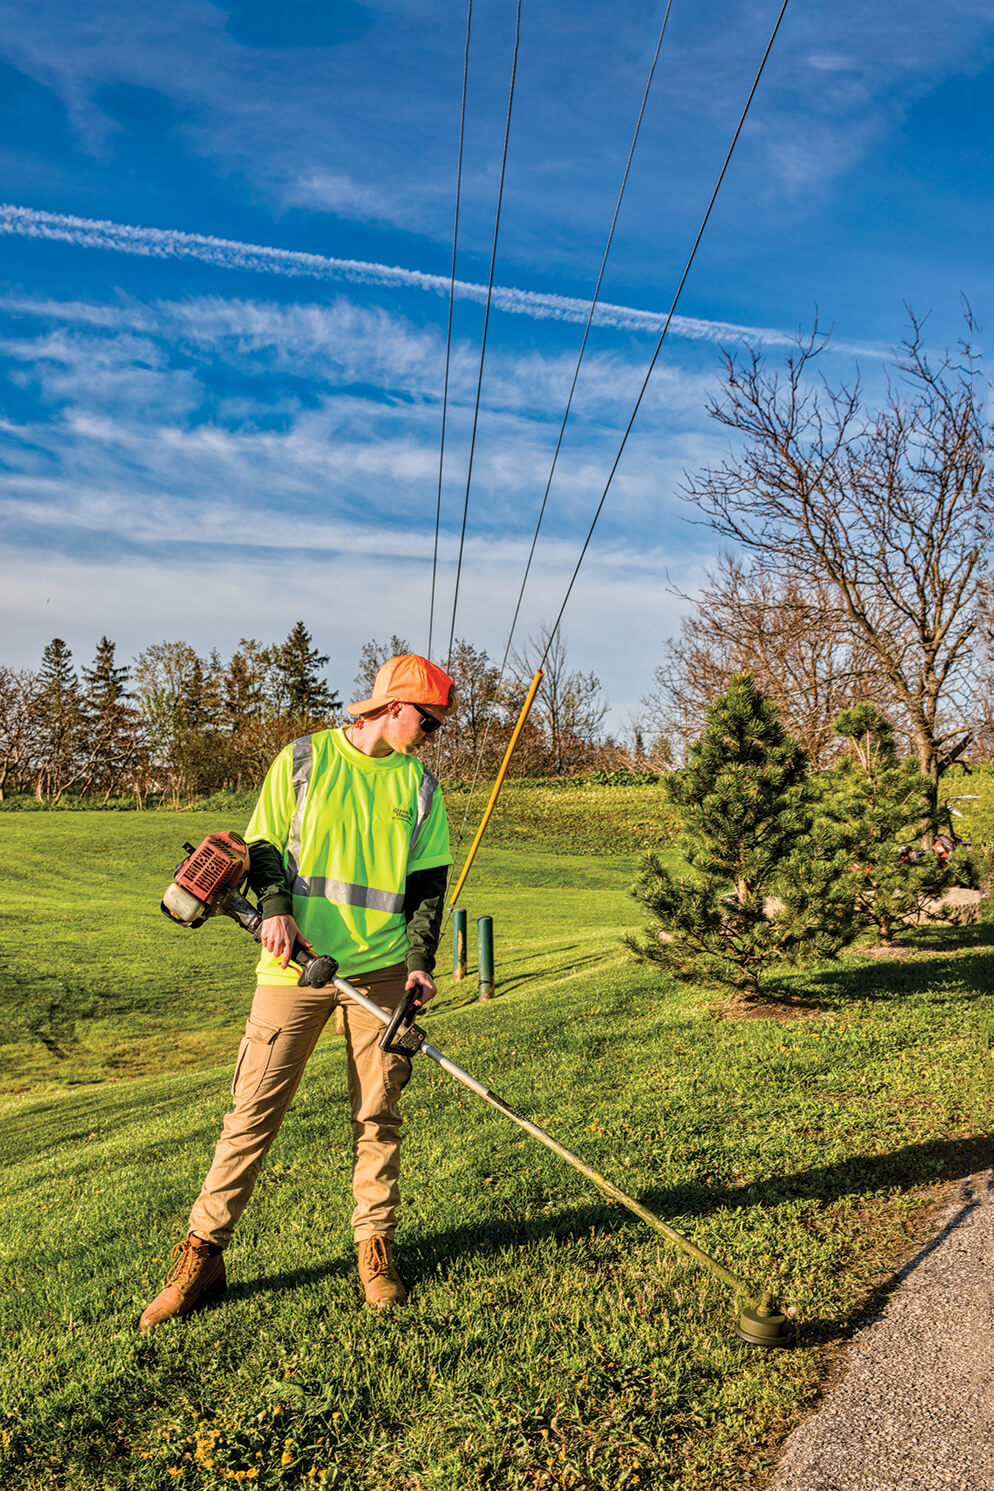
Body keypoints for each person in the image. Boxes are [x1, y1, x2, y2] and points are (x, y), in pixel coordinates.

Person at [139, 654, 455, 1330]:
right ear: (395, 706)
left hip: (381, 971)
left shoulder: (420, 787)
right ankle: (202, 1256)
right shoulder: (305, 760)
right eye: (429, 724)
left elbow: (428, 887)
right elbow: (263, 847)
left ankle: (375, 1249)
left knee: (378, 1115)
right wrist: (275, 906)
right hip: (293, 971)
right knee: (251, 1114)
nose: (432, 737)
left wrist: (422, 963)